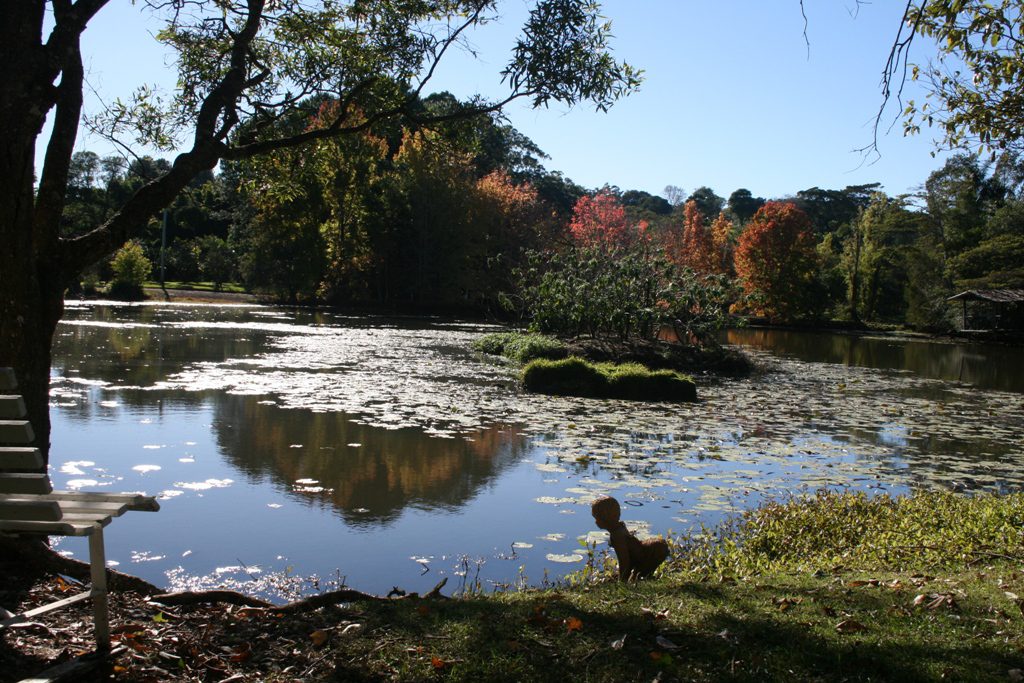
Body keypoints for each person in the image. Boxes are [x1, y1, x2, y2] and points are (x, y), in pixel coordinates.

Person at [591, 496, 669, 581]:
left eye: (596, 518)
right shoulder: (620, 526)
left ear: (604, 518)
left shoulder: (617, 536)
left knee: (640, 576)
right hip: (646, 550)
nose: (595, 522)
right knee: (638, 576)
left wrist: (622, 580)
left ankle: (639, 581)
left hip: (648, 554)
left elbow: (624, 561)